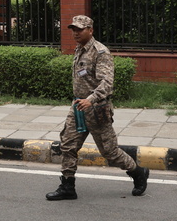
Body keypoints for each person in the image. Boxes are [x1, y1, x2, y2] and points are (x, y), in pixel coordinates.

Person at [46, 15, 149, 200]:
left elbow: (107, 83)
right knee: (68, 145)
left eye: (80, 29)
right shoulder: (79, 49)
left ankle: (138, 173)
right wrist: (81, 100)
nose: (76, 33)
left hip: (97, 109)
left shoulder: (100, 52)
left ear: (90, 30)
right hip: (78, 107)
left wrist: (91, 99)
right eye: (73, 29)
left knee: (110, 152)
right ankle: (67, 186)